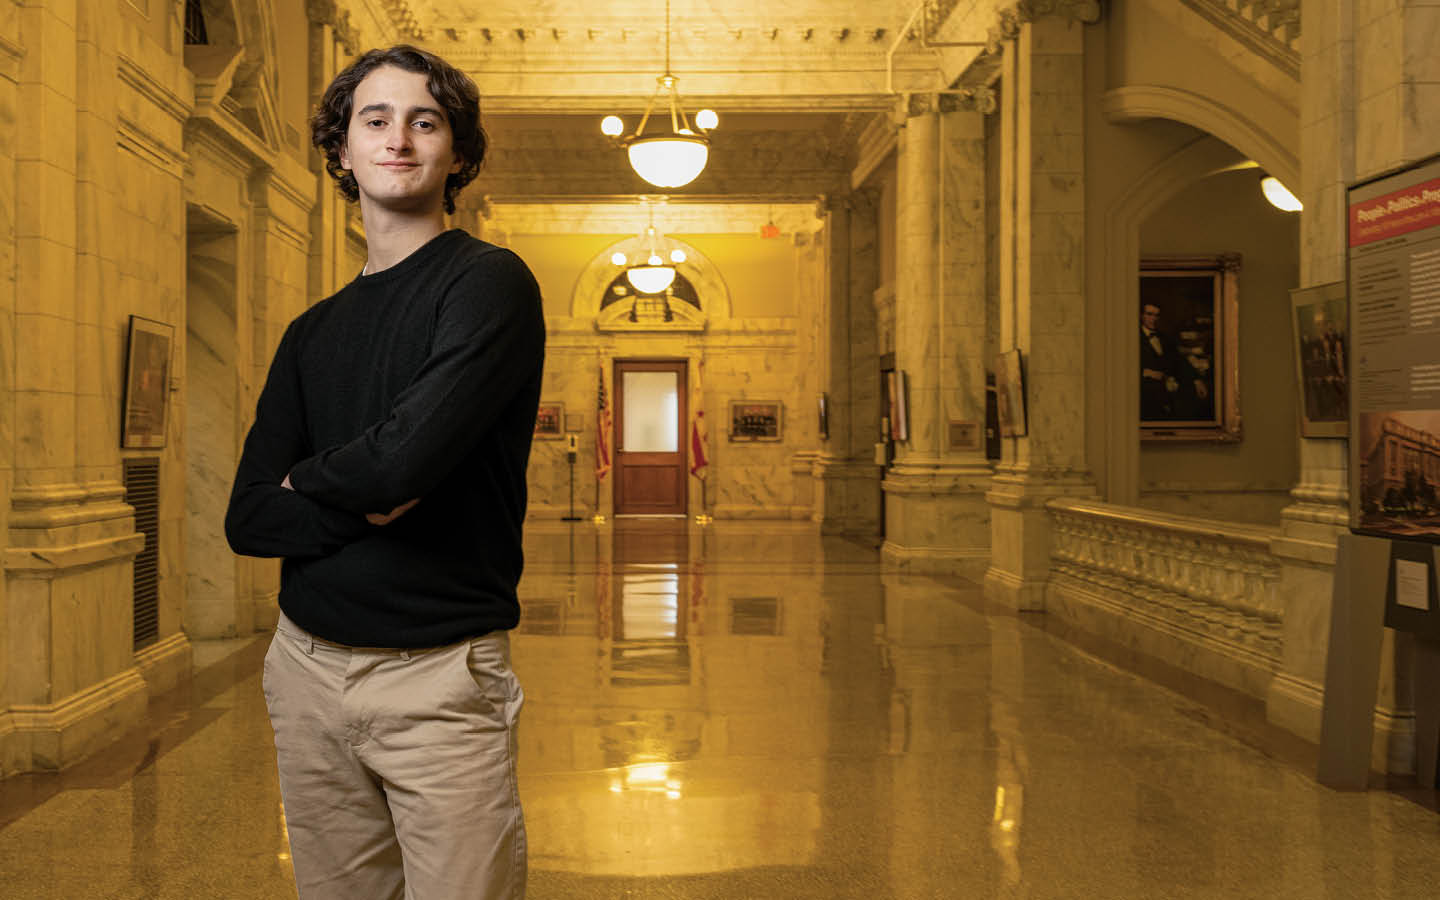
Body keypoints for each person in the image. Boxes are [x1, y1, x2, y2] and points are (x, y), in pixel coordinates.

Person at [224, 45, 544, 900]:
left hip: (438, 680)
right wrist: (365, 498)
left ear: (458, 153)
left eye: (425, 120)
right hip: (303, 671)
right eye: (375, 119)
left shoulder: (489, 285)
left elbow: (405, 459)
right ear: (341, 150)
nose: (398, 138)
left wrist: (325, 483)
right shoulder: (309, 332)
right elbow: (248, 518)